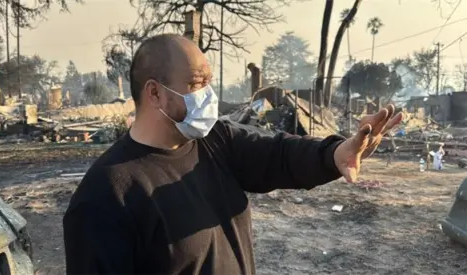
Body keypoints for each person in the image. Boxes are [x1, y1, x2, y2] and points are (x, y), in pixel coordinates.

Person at [62, 33, 403, 275]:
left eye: (209, 82)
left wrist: (336, 153)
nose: (208, 96)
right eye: (197, 84)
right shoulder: (106, 195)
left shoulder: (216, 141)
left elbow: (280, 154)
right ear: (154, 93)